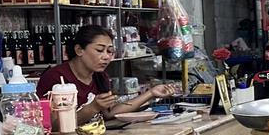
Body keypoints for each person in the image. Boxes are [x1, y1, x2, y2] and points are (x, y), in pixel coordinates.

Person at [35, 25, 177, 122]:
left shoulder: (99, 76)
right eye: (99, 50)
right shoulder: (56, 78)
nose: (106, 57)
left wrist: (151, 93)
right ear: (79, 50)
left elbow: (109, 113)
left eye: (109, 51)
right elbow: (52, 125)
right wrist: (93, 108)